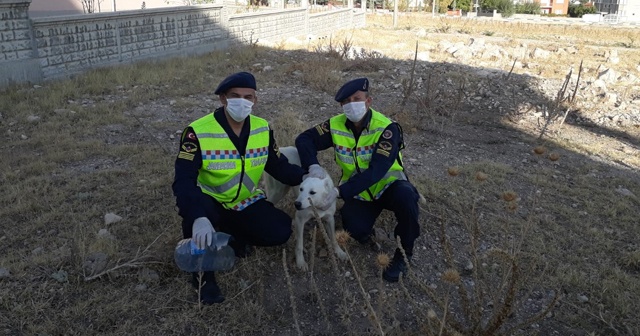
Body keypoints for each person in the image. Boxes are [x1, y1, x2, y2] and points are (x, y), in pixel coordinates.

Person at [172, 72, 306, 304]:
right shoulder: (197, 131)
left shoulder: (262, 129)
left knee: (280, 230)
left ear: (255, 100)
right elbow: (183, 180)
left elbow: (278, 167)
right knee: (199, 222)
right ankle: (203, 277)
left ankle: (232, 237)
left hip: (244, 200)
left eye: (248, 97)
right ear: (223, 99)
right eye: (235, 96)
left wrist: (308, 176)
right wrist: (197, 216)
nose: (242, 102)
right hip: (209, 200)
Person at [295, 77, 421, 282]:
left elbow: (376, 171)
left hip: (389, 187)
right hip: (360, 193)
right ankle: (370, 234)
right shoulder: (335, 125)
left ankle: (404, 255)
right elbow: (304, 139)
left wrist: (338, 192)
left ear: (368, 101)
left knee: (407, 199)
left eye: (357, 99)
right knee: (354, 229)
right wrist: (312, 164)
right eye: (346, 102)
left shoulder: (387, 128)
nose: (351, 105)